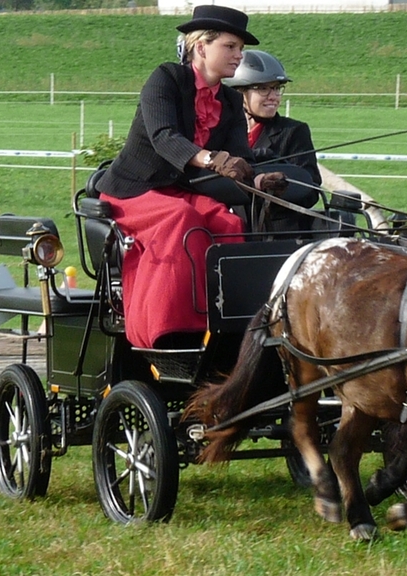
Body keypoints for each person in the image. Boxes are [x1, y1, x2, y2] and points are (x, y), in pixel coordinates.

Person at [96, 5, 283, 350]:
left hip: (178, 191)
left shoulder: (227, 99)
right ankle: (170, 329)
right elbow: (164, 137)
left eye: (239, 49)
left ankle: (231, 324)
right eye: (230, 47)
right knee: (183, 219)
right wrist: (212, 159)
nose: (238, 55)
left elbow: (240, 157)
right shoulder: (165, 79)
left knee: (228, 224)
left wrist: (256, 180)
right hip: (133, 191)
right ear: (201, 47)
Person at [223, 49, 322, 233]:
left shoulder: (293, 132)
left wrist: (281, 184)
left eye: (276, 88)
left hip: (277, 235)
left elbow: (311, 192)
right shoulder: (222, 133)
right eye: (263, 88)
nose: (273, 96)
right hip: (228, 231)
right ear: (238, 93)